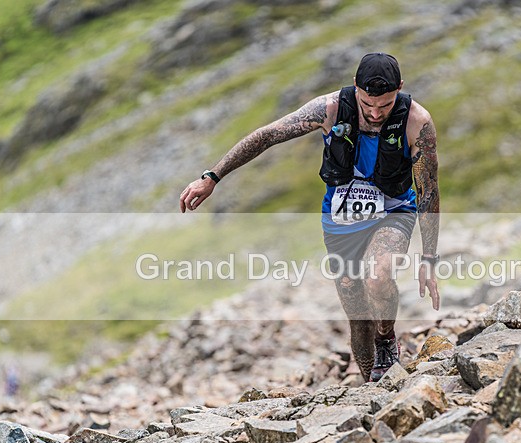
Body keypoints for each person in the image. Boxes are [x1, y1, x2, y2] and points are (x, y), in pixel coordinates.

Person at [180, 52, 440, 382]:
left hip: (393, 212)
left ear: (399, 88)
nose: (375, 114)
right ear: (355, 87)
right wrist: (212, 177)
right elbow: (267, 136)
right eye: (367, 104)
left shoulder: (417, 122)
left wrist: (429, 257)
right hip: (340, 220)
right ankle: (371, 386)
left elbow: (429, 190)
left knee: (378, 274)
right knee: (358, 316)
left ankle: (387, 340)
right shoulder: (330, 109)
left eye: (385, 105)